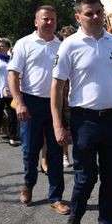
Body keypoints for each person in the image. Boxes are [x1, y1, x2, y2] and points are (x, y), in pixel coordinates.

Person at [51, 0, 112, 224]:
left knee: (111, 178)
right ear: (78, 17)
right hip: (84, 120)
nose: (96, 17)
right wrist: (58, 125)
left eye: (99, 11)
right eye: (89, 13)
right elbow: (57, 87)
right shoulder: (69, 45)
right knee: (86, 178)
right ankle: (74, 219)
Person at [8, 5, 69, 216]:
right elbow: (13, 75)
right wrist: (20, 102)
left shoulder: (62, 46)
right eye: (45, 19)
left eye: (52, 19)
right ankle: (28, 185)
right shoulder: (24, 43)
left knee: (55, 150)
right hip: (31, 103)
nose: (49, 22)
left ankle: (56, 197)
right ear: (36, 21)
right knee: (30, 150)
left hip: (55, 104)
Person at [40, 24, 77, 174]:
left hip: (70, 95)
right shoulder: (58, 48)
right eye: (64, 38)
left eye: (69, 37)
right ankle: (46, 159)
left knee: (68, 128)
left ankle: (65, 155)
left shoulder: (76, 48)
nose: (66, 40)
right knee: (52, 128)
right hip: (55, 94)